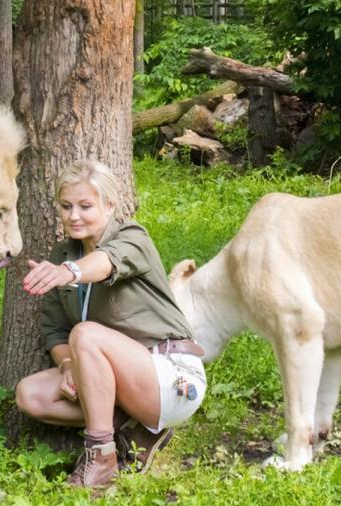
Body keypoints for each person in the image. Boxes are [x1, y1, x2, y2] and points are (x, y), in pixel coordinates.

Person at [14, 160, 207, 488]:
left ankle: (101, 461)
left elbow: (106, 263)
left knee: (86, 334)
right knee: (30, 394)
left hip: (171, 376)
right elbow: (55, 330)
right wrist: (67, 365)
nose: (74, 215)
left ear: (109, 206)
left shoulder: (132, 236)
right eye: (66, 206)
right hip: (124, 381)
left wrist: (68, 272)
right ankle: (136, 430)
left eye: (85, 206)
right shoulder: (65, 252)